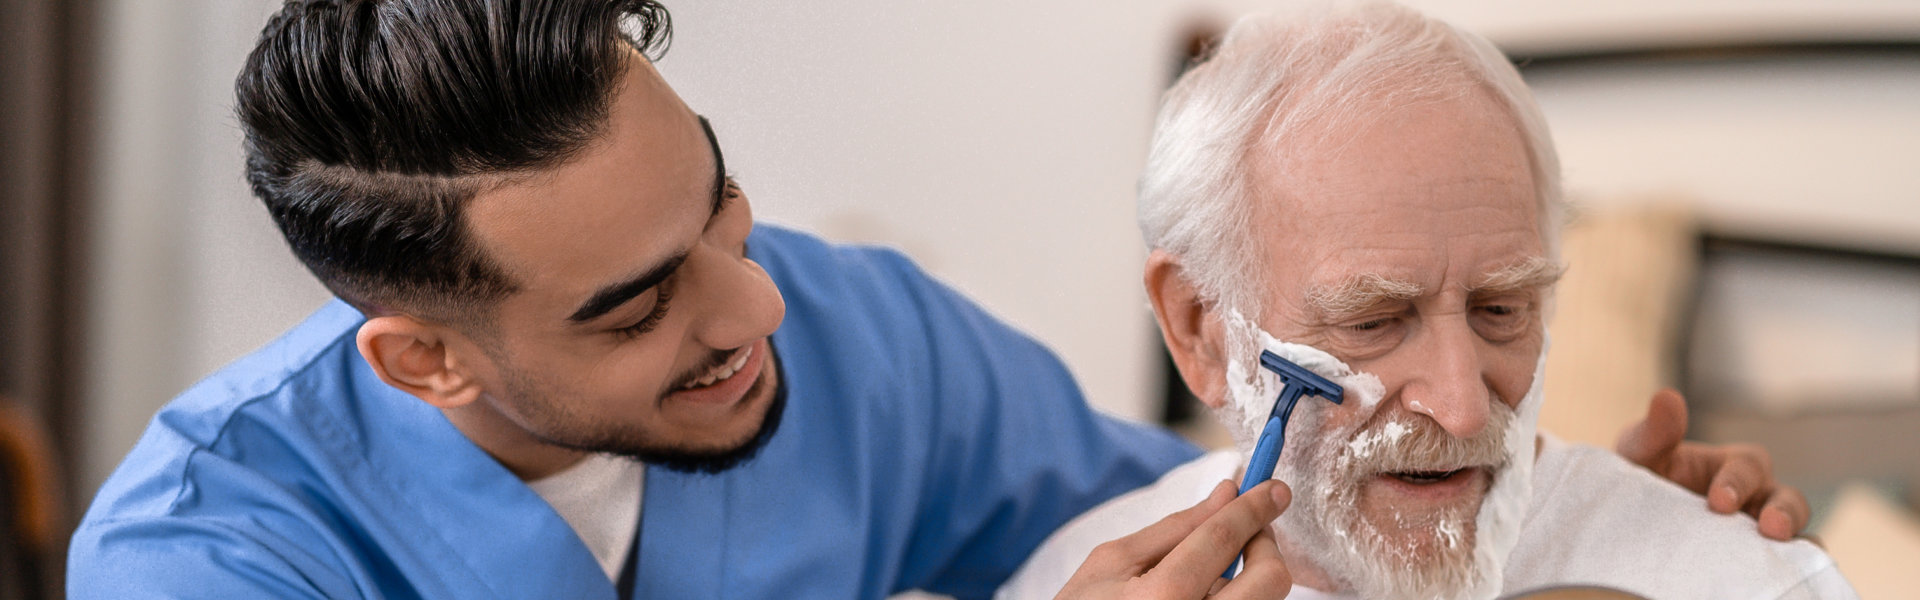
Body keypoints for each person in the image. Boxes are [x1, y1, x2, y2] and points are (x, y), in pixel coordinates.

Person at [67, 1, 1809, 599]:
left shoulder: (859, 340)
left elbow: (1222, 515)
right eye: (635, 306)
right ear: (427, 355)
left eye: (725, 204)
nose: (755, 307)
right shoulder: (208, 550)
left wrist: (1575, 524)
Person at [1001, 2, 1857, 599]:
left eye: (1501, 309)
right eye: (1373, 320)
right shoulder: (1070, 579)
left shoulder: (1743, 581)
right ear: (1197, 326)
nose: (1458, 404)